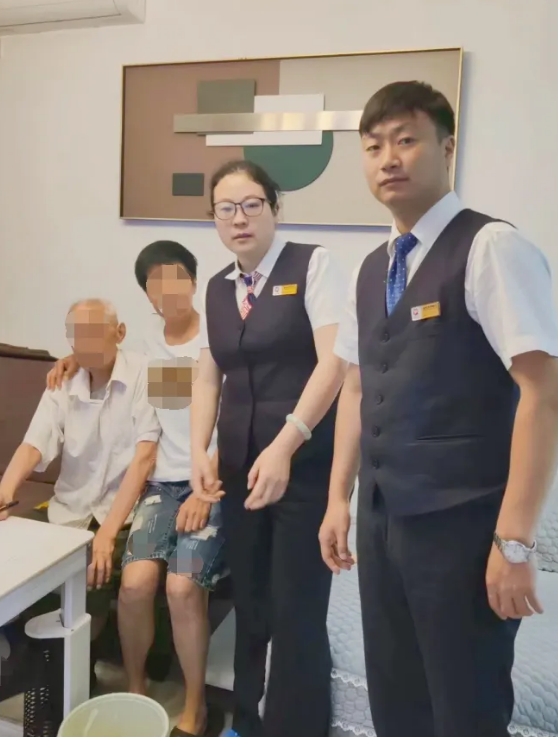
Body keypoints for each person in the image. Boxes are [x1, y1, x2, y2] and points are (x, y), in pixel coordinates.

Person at [317, 81, 558, 737]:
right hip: (381, 521)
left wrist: (514, 541)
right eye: (373, 146)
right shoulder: (371, 267)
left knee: (464, 710)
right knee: (396, 702)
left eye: (406, 140)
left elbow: (548, 393)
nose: (388, 158)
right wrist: (338, 499)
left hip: (461, 526)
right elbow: (355, 386)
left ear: (447, 147)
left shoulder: (491, 248)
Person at [190, 160, 347, 737]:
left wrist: (286, 443)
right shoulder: (217, 288)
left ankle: (297, 727)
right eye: (226, 209)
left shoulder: (313, 265)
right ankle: (247, 720)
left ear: (276, 208)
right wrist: (199, 451)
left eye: (252, 204)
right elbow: (208, 376)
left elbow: (335, 363)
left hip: (302, 467)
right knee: (251, 602)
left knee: (296, 609)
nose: (239, 218)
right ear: (214, 219)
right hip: (239, 470)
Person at [47, 243, 225, 737]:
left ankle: (195, 708)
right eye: (154, 283)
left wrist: (203, 490)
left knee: (181, 587)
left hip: (213, 484)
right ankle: (136, 690)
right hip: (162, 485)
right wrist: (74, 357)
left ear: (194, 281)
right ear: (146, 294)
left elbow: (234, 423)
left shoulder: (220, 338)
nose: (166, 290)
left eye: (176, 278)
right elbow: (122, 368)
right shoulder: (151, 344)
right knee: (134, 584)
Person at [0, 298, 160, 687]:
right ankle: (30, 662)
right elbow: (34, 443)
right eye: (76, 336)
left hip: (124, 511)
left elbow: (145, 458)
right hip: (68, 506)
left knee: (93, 569)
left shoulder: (147, 373)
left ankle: (73, 670)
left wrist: (107, 533)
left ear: (120, 333)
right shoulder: (63, 380)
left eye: (94, 333)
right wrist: (2, 493)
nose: (84, 343)